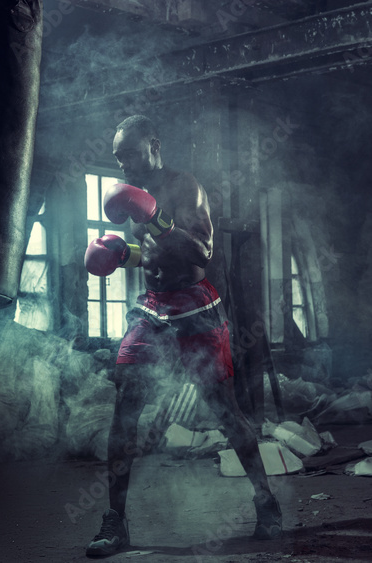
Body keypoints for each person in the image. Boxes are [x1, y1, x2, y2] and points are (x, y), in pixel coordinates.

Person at [82, 115, 282, 557]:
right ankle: (116, 524)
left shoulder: (184, 185)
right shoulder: (137, 192)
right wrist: (123, 254)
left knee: (226, 413)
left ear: (154, 145)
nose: (123, 165)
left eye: (130, 154)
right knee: (124, 413)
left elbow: (200, 253)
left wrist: (153, 217)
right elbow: (153, 256)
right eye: (117, 158)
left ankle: (267, 505)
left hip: (195, 308)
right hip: (152, 309)